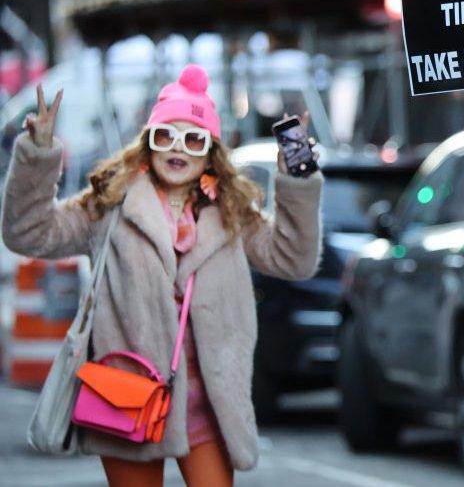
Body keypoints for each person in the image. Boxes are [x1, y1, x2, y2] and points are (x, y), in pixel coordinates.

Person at [2, 65, 323, 487]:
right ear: (148, 143)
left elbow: (293, 260)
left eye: (194, 139)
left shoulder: (231, 213)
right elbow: (29, 233)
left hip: (208, 405)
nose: (178, 148)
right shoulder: (110, 205)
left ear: (211, 152)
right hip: (127, 397)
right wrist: (37, 155)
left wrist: (296, 175)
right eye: (164, 135)